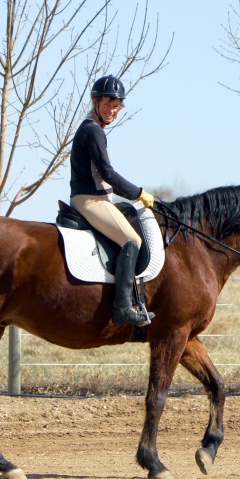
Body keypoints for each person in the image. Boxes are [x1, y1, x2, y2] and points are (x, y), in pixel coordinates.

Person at [69, 75, 155, 327]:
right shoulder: (92, 130)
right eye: (108, 104)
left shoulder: (94, 128)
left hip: (98, 199)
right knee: (132, 240)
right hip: (91, 201)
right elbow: (107, 173)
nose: (112, 110)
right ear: (96, 102)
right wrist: (138, 192)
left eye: (117, 106)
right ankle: (123, 308)